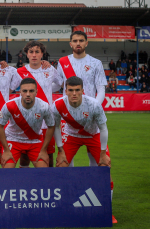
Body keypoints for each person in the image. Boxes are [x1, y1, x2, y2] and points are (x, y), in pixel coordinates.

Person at [51, 76, 115, 223]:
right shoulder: (57, 104)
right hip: (71, 135)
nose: (74, 93)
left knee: (105, 169)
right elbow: (55, 127)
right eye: (71, 90)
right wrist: (60, 151)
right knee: (61, 166)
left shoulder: (93, 105)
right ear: (65, 91)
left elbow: (104, 129)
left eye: (77, 90)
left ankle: (107, 211)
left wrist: (103, 154)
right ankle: (64, 208)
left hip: (93, 135)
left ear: (82, 91)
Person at [56, 31, 108, 168]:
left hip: (90, 115)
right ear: (70, 43)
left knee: (93, 155)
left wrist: (94, 108)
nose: (78, 43)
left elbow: (101, 89)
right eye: (75, 40)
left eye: (81, 40)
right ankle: (70, 185)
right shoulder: (62, 62)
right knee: (67, 157)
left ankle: (95, 185)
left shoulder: (96, 63)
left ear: (86, 42)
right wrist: (46, 70)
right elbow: (57, 84)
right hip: (68, 115)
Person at [17, 41, 62, 168]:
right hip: (27, 121)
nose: (34, 55)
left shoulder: (49, 69)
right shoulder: (20, 71)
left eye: (37, 52)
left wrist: (48, 89)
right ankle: (24, 185)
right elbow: (10, 87)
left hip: (47, 121)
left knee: (49, 158)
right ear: (27, 54)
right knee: (24, 157)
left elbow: (59, 84)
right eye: (31, 52)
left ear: (42, 53)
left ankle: (49, 185)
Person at [0, 78, 55, 168]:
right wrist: (6, 150)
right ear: (20, 91)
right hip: (13, 140)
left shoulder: (44, 107)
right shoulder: (10, 105)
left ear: (36, 92)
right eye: (25, 91)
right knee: (7, 170)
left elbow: (51, 126)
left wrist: (43, 150)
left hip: (35, 141)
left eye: (31, 91)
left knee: (43, 171)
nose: (28, 94)